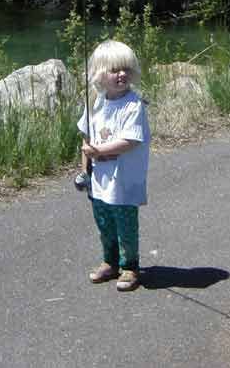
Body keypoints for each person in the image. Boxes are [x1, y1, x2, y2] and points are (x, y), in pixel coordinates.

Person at [77, 39, 150, 292]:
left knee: (125, 225)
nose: (122, 74)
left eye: (126, 69)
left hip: (123, 180)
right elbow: (86, 136)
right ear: (99, 74)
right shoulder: (96, 102)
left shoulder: (133, 104)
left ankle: (130, 265)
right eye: (114, 70)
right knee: (104, 222)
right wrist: (84, 169)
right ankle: (109, 261)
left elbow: (130, 141)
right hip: (99, 181)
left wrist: (99, 151)